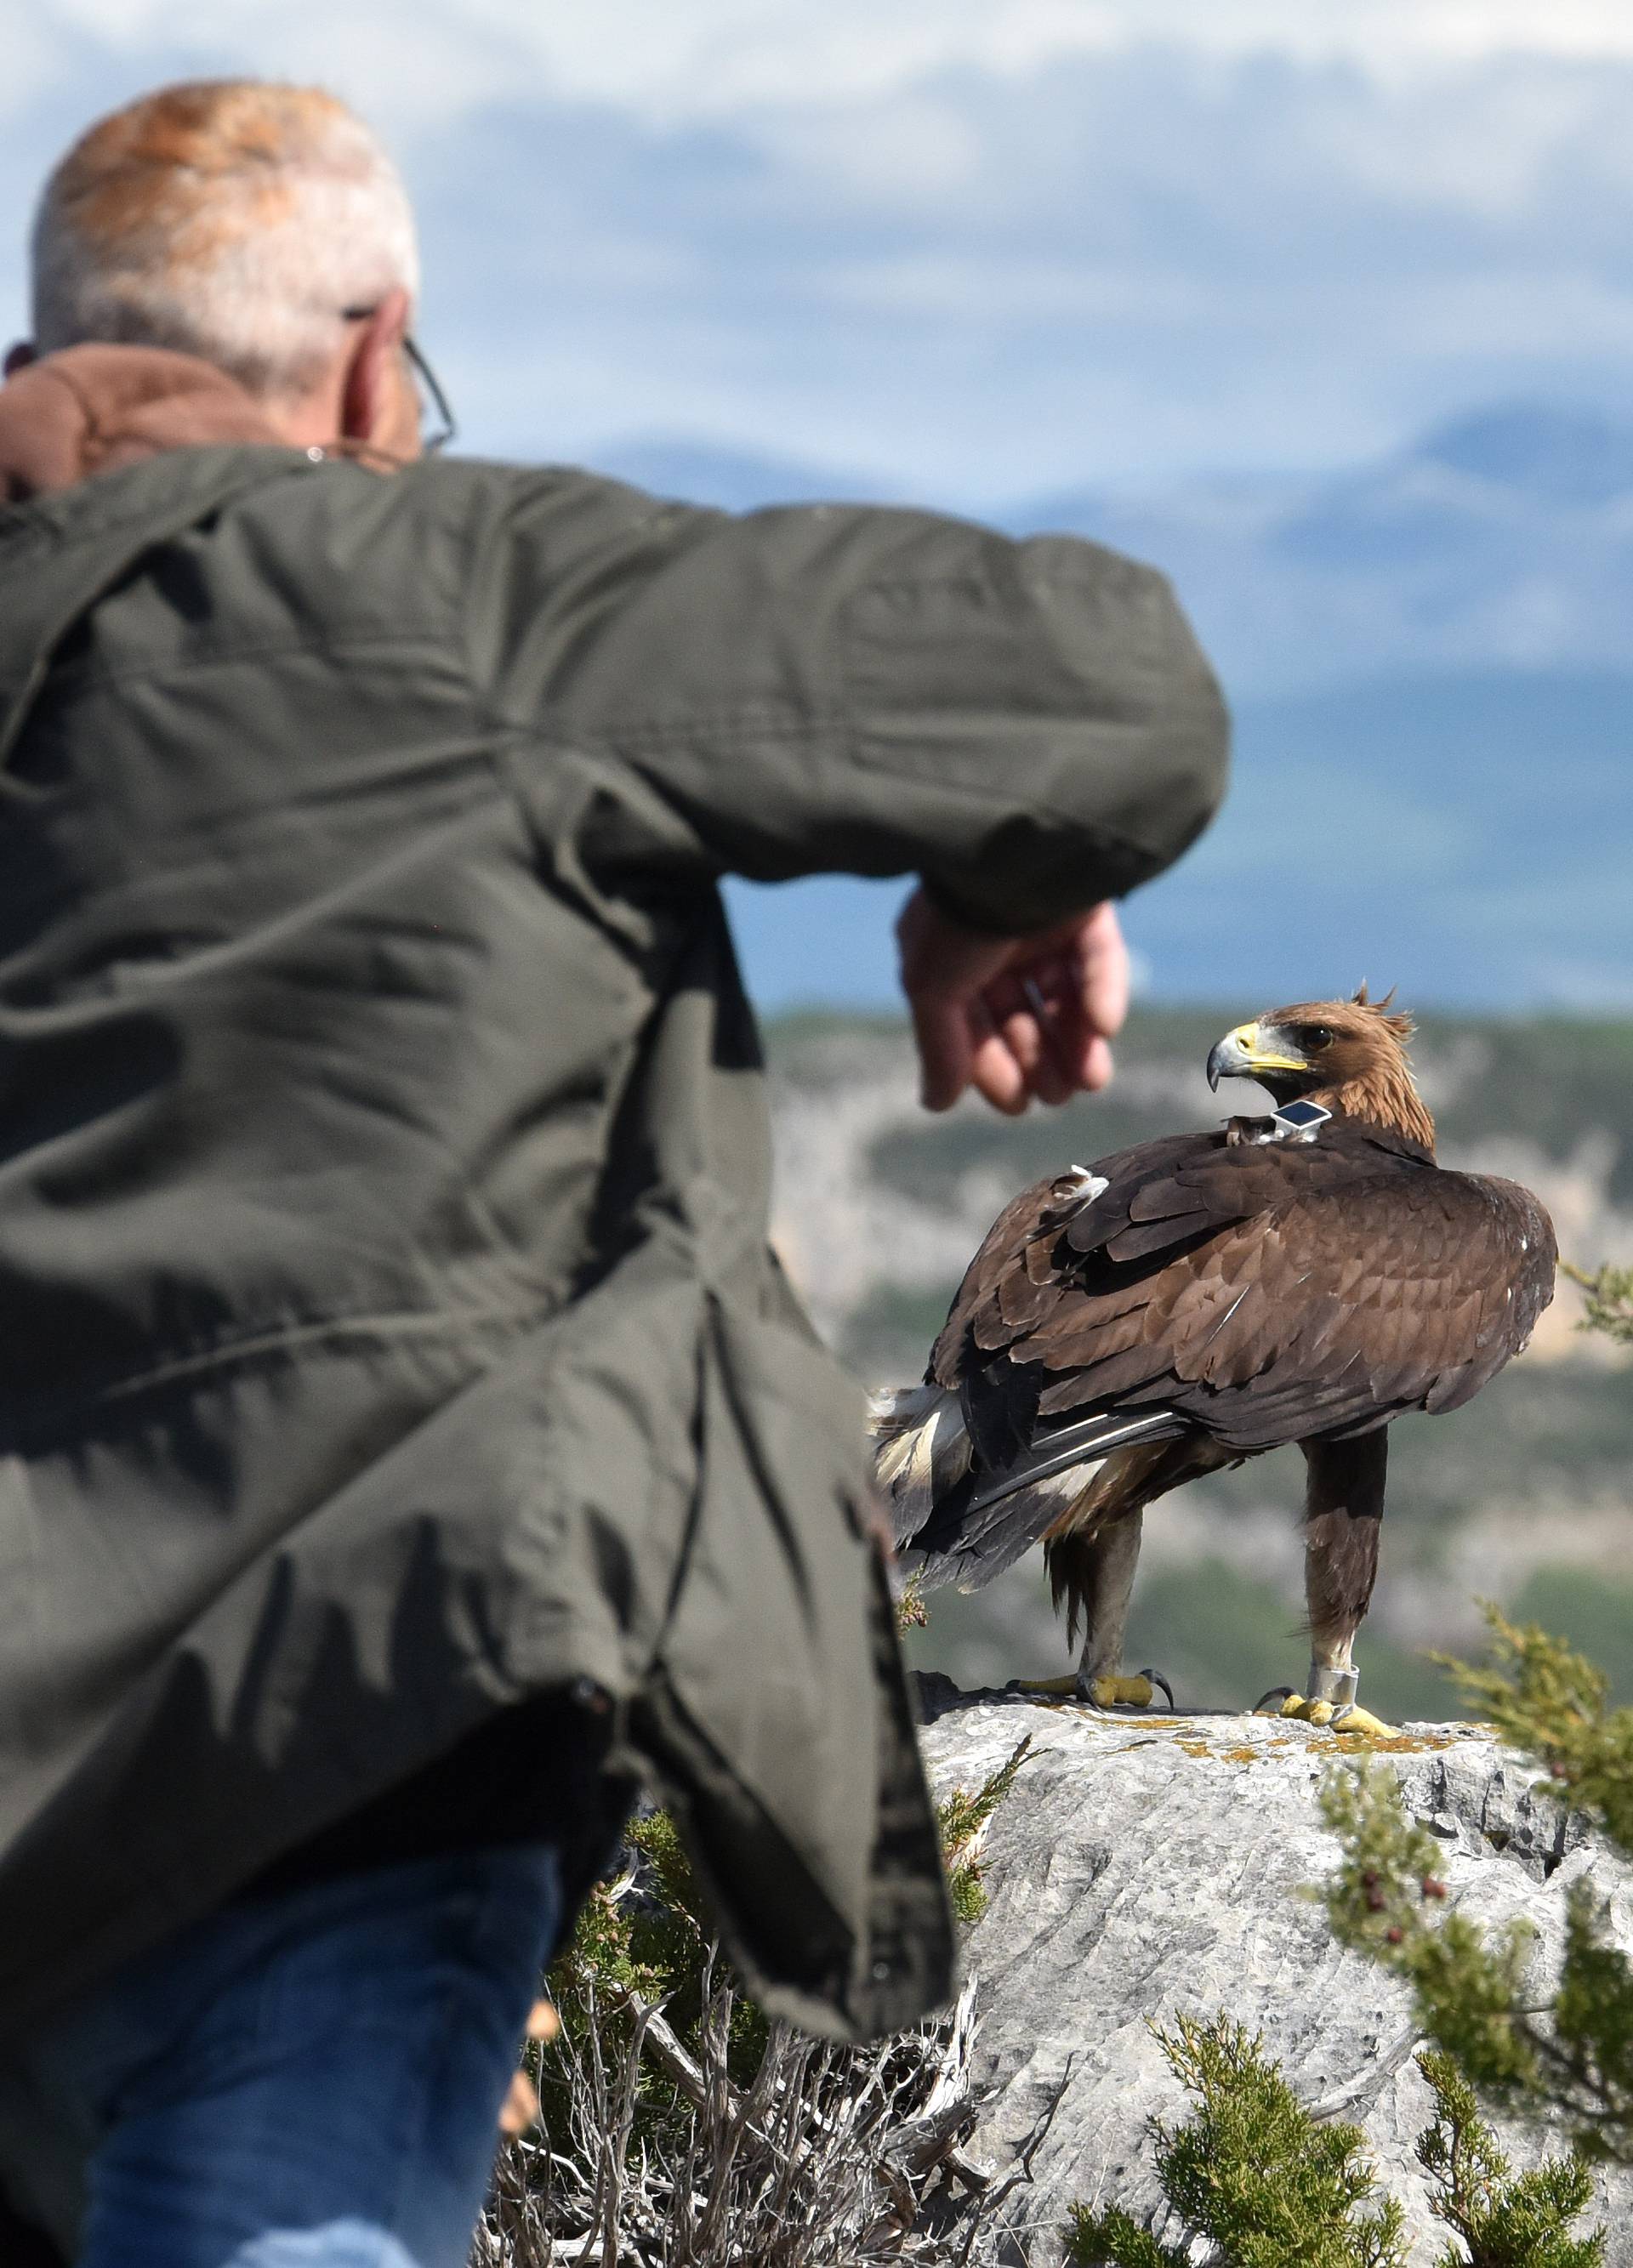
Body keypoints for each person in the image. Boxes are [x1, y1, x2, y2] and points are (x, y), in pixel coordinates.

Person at [0, 78, 1228, 2268]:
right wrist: (999, 871)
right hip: (344, 1746)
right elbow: (1109, 680)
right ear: (377, 360)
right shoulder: (460, 589)